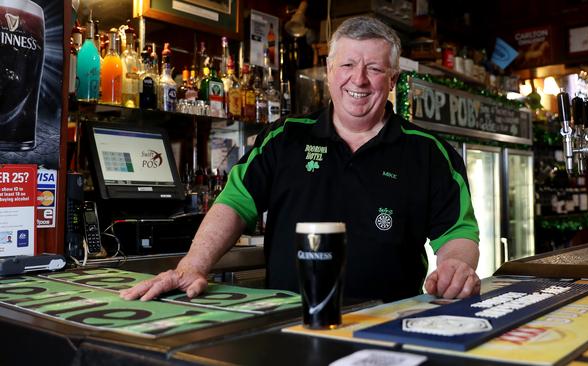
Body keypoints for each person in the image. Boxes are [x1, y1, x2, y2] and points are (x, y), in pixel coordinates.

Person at [121, 16, 480, 303]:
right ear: (329, 70)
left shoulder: (429, 152)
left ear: (392, 79)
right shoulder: (285, 137)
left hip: (387, 326)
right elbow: (234, 203)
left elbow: (458, 232)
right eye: (348, 65)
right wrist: (192, 266)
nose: (359, 79)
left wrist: (456, 267)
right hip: (287, 321)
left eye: (374, 68)